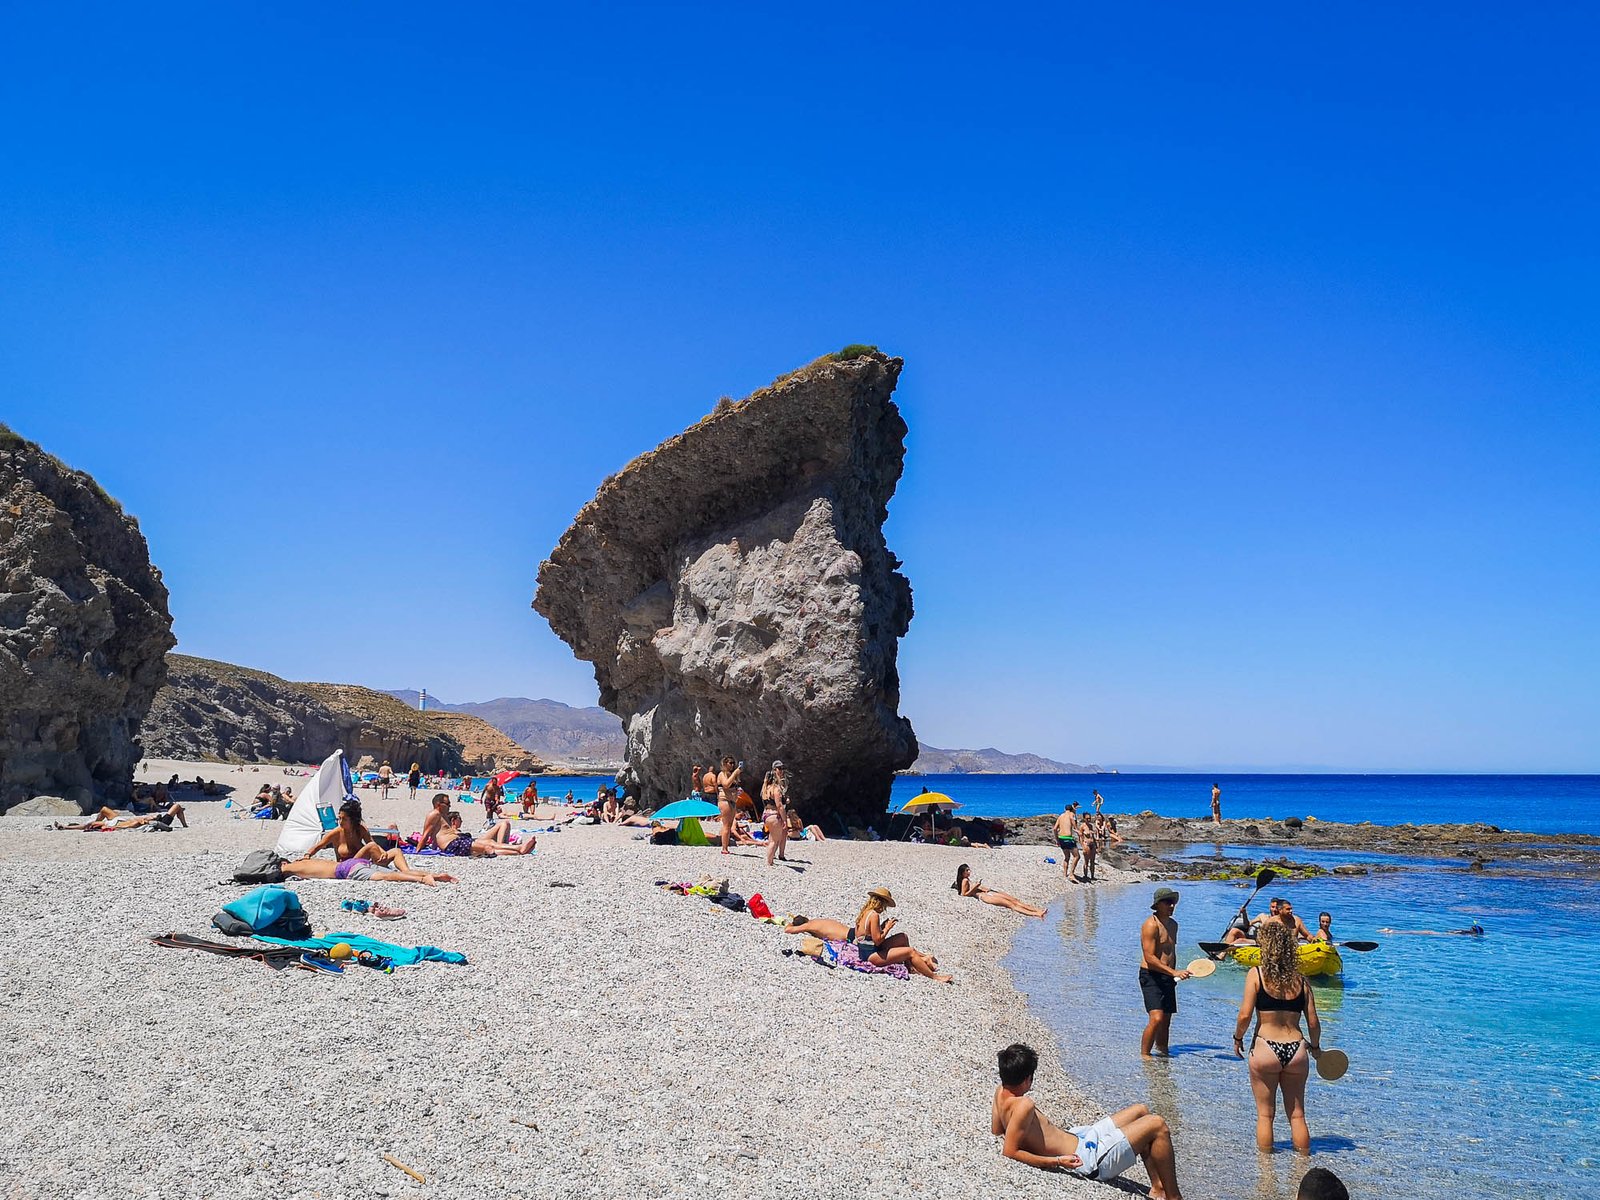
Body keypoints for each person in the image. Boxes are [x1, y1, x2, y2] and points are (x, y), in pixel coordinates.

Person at [992, 1043, 1182, 1197]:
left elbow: (997, 1131)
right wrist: (1058, 1161)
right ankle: (1174, 1197)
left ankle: (1158, 1187)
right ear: (1027, 1079)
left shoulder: (1000, 1092)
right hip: (1088, 1159)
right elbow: (1010, 1151)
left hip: (1081, 1136)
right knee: (1157, 1124)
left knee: (1141, 1111)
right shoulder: (1024, 1105)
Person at [1233, 918, 1323, 1154]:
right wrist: (1315, 1047)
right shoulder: (1301, 981)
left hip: (1265, 1048)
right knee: (1297, 1114)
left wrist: (1237, 1038)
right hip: (1296, 1049)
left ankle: (1266, 1173)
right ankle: (1302, 1165)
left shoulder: (1257, 975)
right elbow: (1313, 1022)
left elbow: (1244, 1016)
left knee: (1265, 1114)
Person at [283, 800, 456, 886]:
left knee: (396, 853)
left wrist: (382, 856)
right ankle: (418, 876)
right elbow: (318, 846)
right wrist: (306, 856)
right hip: (350, 866)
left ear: (353, 820)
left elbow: (371, 844)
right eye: (339, 818)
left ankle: (428, 874)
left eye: (343, 819)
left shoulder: (360, 829)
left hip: (367, 862)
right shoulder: (337, 833)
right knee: (375, 850)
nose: (340, 822)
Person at [851, 886, 951, 983]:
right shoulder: (874, 915)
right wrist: (887, 928)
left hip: (864, 951)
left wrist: (881, 926)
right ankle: (934, 977)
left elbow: (866, 935)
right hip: (871, 956)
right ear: (882, 903)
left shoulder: (865, 913)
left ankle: (910, 966)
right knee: (910, 951)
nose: (884, 909)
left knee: (903, 937)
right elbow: (877, 941)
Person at [1139, 887, 1192, 1057]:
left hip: (1168, 977)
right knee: (1156, 1019)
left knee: (1166, 1021)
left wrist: (1177, 974)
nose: (1171, 905)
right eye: (1167, 902)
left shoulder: (1173, 925)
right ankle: (1145, 1056)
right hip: (1151, 975)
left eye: (1173, 902)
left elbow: (1170, 952)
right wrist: (1174, 971)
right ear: (1158, 904)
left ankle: (1163, 1054)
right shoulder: (1151, 925)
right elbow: (1150, 957)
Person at [425, 810, 538, 858]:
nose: (462, 821)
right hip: (470, 843)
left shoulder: (449, 832)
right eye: (460, 819)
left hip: (472, 842)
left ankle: (518, 850)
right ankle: (518, 849)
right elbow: (433, 838)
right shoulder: (449, 831)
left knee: (503, 826)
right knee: (489, 844)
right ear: (454, 820)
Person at [953, 864, 1046, 918]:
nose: (969, 872)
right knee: (1011, 904)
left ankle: (1037, 910)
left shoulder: (967, 879)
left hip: (988, 893)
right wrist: (975, 887)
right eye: (967, 870)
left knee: (1015, 901)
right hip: (984, 896)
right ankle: (1036, 913)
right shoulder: (965, 880)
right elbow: (964, 894)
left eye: (969, 870)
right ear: (962, 873)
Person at [55, 803, 188, 832]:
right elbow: (138, 823)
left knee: (103, 810)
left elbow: (86, 826)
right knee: (177, 807)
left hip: (119, 821)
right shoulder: (108, 826)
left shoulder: (106, 826)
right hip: (155, 821)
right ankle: (184, 824)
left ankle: (184, 824)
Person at [761, 761, 789, 867]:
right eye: (779, 769)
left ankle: (770, 860)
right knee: (773, 841)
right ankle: (769, 862)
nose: (781, 771)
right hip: (774, 815)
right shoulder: (776, 789)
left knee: (771, 839)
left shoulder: (766, 788)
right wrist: (785, 819)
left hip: (766, 814)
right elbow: (779, 806)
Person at [715, 756, 741, 856]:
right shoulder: (722, 774)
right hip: (724, 800)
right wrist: (735, 773)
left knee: (729, 825)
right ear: (725, 764)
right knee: (726, 825)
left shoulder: (731, 775)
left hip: (732, 801)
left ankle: (725, 845)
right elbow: (725, 785)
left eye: (733, 763)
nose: (732, 765)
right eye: (730, 763)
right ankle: (724, 848)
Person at [1053, 801, 1081, 882]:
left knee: (1067, 857)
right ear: (1071, 809)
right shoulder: (1071, 814)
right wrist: (1076, 829)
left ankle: (1065, 874)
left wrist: (1057, 839)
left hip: (1061, 838)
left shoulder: (1060, 816)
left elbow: (1055, 829)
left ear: (1064, 809)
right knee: (1077, 856)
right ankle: (1071, 874)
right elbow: (1072, 819)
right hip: (1068, 838)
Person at [784, 914, 851, 941]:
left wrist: (790, 924)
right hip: (851, 931)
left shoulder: (808, 926)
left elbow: (788, 930)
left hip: (850, 938)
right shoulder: (816, 921)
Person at [1079, 818, 1098, 882]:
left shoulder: (1091, 826)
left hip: (1092, 844)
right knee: (1086, 861)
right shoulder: (1082, 826)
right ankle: (1085, 876)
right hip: (1086, 845)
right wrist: (1082, 845)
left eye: (1089, 818)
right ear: (1084, 819)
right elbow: (1080, 837)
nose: (1089, 820)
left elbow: (1092, 837)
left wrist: (1096, 845)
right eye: (1087, 818)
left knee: (1092, 861)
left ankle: (1092, 876)